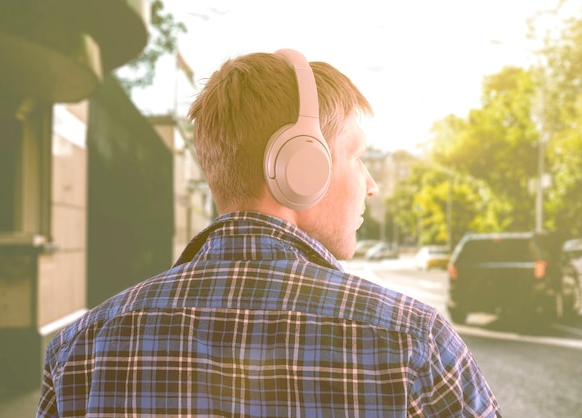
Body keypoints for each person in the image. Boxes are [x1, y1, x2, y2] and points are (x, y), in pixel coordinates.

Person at [37, 49, 501, 417]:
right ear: (303, 166)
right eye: (358, 157)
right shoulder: (412, 341)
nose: (372, 185)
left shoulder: (80, 351)